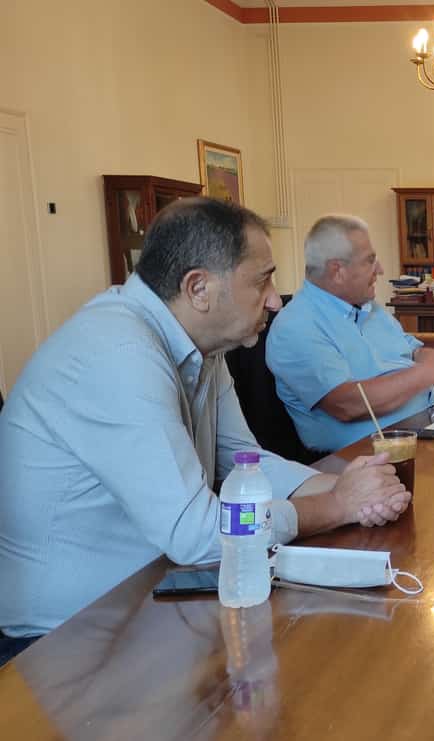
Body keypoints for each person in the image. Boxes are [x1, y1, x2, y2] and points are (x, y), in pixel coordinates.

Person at [0, 198, 411, 644]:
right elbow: (196, 535)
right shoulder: (120, 354)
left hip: (151, 607)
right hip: (61, 643)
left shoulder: (201, 345)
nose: (275, 300)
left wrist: (356, 486)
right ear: (199, 288)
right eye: (262, 280)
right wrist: (335, 507)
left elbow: (243, 464)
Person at [266, 215, 434, 452]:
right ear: (337, 271)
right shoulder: (296, 326)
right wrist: (429, 373)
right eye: (369, 261)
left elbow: (409, 348)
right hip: (369, 457)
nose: (380, 270)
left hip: (429, 431)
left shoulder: (368, 307)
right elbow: (347, 404)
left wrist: (433, 357)